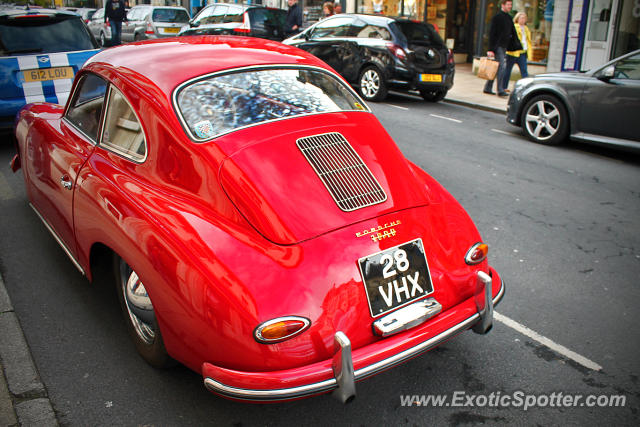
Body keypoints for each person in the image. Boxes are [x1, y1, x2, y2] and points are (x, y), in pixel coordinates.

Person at [483, 0, 521, 97]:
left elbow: (513, 33)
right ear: (503, 5)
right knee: (502, 67)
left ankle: (488, 87)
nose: (510, 6)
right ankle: (500, 90)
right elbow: (492, 33)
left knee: (496, 67)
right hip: (498, 46)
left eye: (511, 5)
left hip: (504, 46)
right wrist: (490, 49)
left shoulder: (509, 18)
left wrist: (516, 45)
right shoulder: (497, 17)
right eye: (508, 5)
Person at [505, 12, 532, 83]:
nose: (523, 20)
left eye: (524, 18)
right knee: (507, 70)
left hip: (523, 52)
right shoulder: (515, 27)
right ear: (517, 19)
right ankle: (504, 86)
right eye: (521, 18)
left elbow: (528, 40)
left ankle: (526, 86)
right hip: (513, 52)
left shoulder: (526, 29)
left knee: (524, 71)